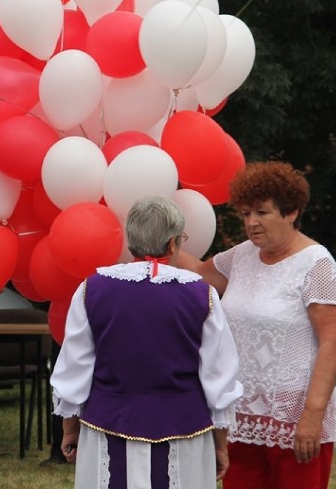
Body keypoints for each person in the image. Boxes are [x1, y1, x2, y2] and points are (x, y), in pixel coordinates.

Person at [175, 161, 336, 489]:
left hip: (294, 420)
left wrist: (312, 416)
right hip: (241, 417)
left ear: (292, 212)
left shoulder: (317, 264)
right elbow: (197, 275)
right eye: (245, 214)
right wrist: (162, 245)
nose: (251, 223)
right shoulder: (241, 256)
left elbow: (334, 342)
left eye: (262, 213)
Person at [51, 195, 243, 488]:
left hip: (107, 424)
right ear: (171, 244)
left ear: (131, 243)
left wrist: (69, 429)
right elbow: (219, 378)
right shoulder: (201, 296)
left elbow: (75, 367)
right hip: (184, 429)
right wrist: (220, 444)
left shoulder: (92, 289)